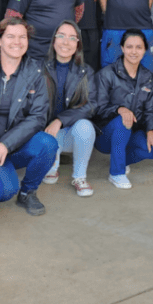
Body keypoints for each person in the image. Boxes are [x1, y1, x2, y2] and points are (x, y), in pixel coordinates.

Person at [0, 18, 58, 217]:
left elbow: (38, 116)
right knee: (5, 190)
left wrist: (6, 144)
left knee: (47, 143)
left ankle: (27, 192)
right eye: (10, 36)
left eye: (22, 37)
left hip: (14, 146)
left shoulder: (36, 71)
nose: (17, 42)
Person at [92, 30, 153, 189]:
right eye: (129, 47)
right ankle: (116, 173)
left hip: (132, 133)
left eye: (139, 47)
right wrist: (119, 109)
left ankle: (120, 160)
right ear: (122, 48)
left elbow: (151, 110)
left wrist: (152, 131)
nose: (134, 51)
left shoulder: (148, 77)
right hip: (105, 135)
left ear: (145, 50)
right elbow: (97, 107)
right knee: (123, 120)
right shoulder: (106, 74)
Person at [43, 20, 97, 196]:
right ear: (54, 40)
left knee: (86, 126)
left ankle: (80, 177)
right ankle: (51, 163)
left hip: (71, 135)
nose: (66, 42)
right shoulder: (39, 68)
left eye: (72, 38)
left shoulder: (86, 71)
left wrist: (60, 120)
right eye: (61, 36)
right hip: (45, 133)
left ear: (78, 44)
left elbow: (91, 105)